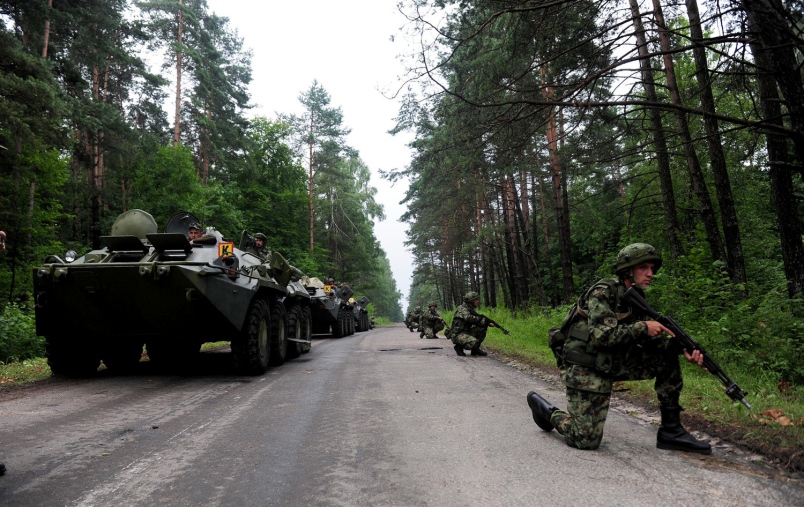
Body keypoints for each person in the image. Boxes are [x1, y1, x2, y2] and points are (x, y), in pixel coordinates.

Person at [526, 243, 711, 454]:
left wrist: (680, 349)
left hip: (611, 361)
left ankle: (672, 431)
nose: (650, 274)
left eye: (652, 268)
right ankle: (547, 411)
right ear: (628, 270)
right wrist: (643, 327)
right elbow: (601, 337)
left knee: (666, 358)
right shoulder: (603, 292)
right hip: (585, 367)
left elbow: (651, 344)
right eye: (644, 268)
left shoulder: (635, 299)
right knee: (585, 439)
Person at [447, 292, 496, 356]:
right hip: (457, 334)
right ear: (471, 301)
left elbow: (476, 321)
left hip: (466, 332)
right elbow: (468, 317)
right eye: (476, 300)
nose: (478, 301)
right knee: (473, 342)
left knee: (482, 327)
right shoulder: (462, 308)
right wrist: (480, 319)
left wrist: (487, 323)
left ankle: (475, 350)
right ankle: (459, 347)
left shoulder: (470, 309)